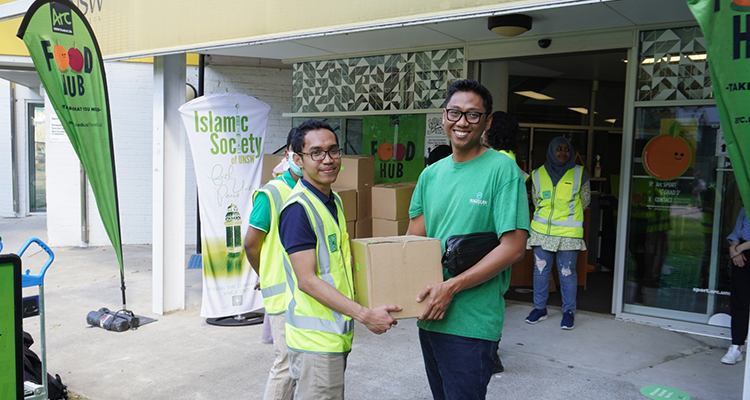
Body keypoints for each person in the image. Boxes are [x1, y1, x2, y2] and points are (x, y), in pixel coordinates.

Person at [406, 79, 529, 400]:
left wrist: (452, 287)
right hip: (430, 318)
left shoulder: (503, 170)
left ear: (487, 121)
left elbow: (514, 247)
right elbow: (413, 243)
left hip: (471, 323)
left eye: (473, 115)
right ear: (443, 117)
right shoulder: (430, 175)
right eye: (455, 113)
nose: (462, 122)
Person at [278, 119, 401, 399]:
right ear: (297, 158)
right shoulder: (298, 209)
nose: (328, 160)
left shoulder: (332, 200)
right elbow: (307, 281)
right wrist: (364, 314)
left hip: (334, 334)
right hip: (316, 341)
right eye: (317, 153)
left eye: (333, 151)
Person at [244, 128, 302, 400]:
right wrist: (263, 273)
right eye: (301, 152)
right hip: (283, 294)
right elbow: (251, 244)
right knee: (286, 364)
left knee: (302, 364)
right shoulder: (271, 194)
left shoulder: (315, 191)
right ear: (290, 154)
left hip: (309, 294)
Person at [525, 137, 590, 330]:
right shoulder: (536, 174)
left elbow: (585, 201)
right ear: (551, 151)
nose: (563, 153)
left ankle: (568, 311)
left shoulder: (580, 173)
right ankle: (539, 309)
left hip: (569, 233)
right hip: (541, 231)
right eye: (559, 149)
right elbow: (537, 201)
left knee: (567, 273)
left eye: (567, 149)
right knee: (541, 272)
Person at [483, 110, 526, 374]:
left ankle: (491, 355)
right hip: (501, 238)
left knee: (491, 298)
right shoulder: (510, 157)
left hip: (496, 240)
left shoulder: (499, 161)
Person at [723, 206, 750, 365]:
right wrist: (734, 248)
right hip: (742, 254)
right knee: (739, 301)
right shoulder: (746, 203)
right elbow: (737, 231)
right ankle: (736, 346)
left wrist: (739, 248)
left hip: (743, 249)